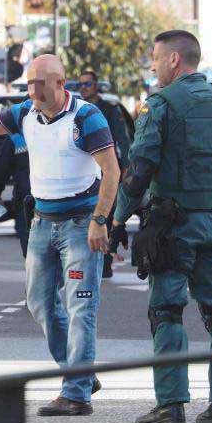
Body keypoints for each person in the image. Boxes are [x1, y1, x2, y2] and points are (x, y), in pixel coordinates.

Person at [0, 54, 120, 416]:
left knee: (80, 306)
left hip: (81, 224)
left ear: (60, 84)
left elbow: (112, 170)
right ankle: (79, 371)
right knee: (39, 303)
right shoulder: (24, 113)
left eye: (41, 85)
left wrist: (101, 221)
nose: (34, 92)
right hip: (42, 221)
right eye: (30, 84)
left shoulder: (86, 118)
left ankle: (76, 394)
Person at [108, 30, 212, 423]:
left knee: (166, 312)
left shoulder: (161, 105)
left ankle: (170, 405)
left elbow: (139, 172)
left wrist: (117, 220)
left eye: (155, 58)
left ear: (174, 60)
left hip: (173, 227)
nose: (152, 66)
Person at [78, 70, 131, 279]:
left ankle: (106, 261)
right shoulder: (77, 109)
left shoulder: (108, 109)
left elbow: (122, 139)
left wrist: (125, 166)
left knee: (106, 215)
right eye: (81, 84)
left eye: (88, 84)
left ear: (96, 85)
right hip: (85, 170)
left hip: (106, 170)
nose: (84, 88)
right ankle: (91, 260)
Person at [0, 130, 31, 257]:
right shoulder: (64, 127)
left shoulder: (17, 135)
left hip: (27, 204)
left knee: (32, 255)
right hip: (63, 204)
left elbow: (2, 167)